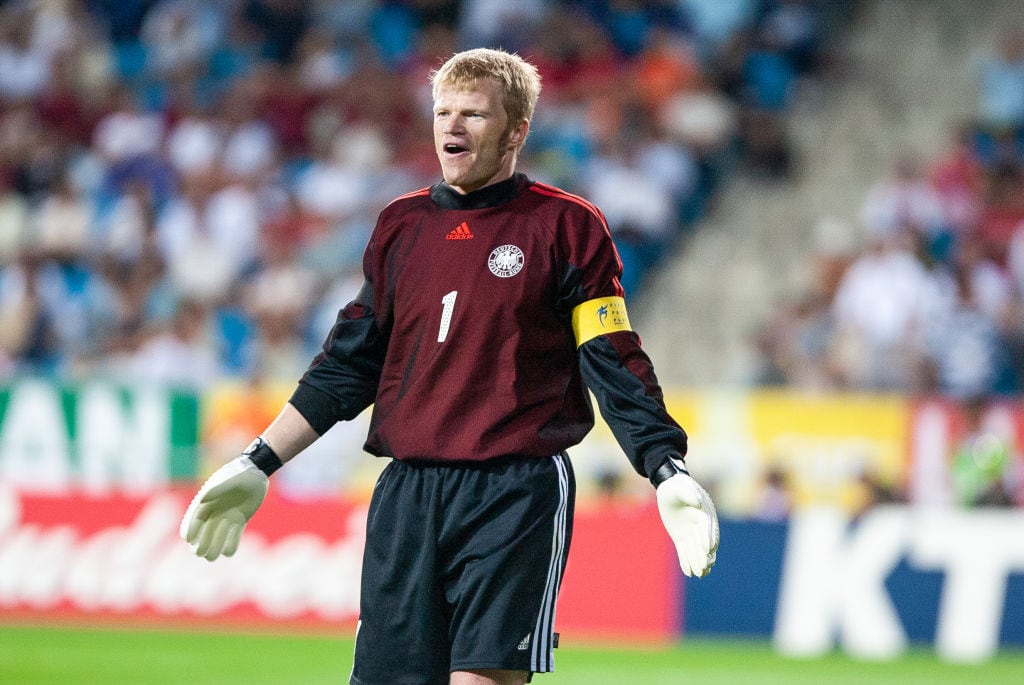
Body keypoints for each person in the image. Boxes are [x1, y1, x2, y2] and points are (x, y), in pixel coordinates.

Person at [179, 47, 719, 685]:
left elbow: (611, 358)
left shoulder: (566, 227)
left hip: (513, 492)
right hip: (407, 494)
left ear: (516, 131)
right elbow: (346, 366)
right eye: (443, 112)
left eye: (474, 115)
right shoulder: (400, 227)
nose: (452, 127)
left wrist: (664, 467)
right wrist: (258, 461)